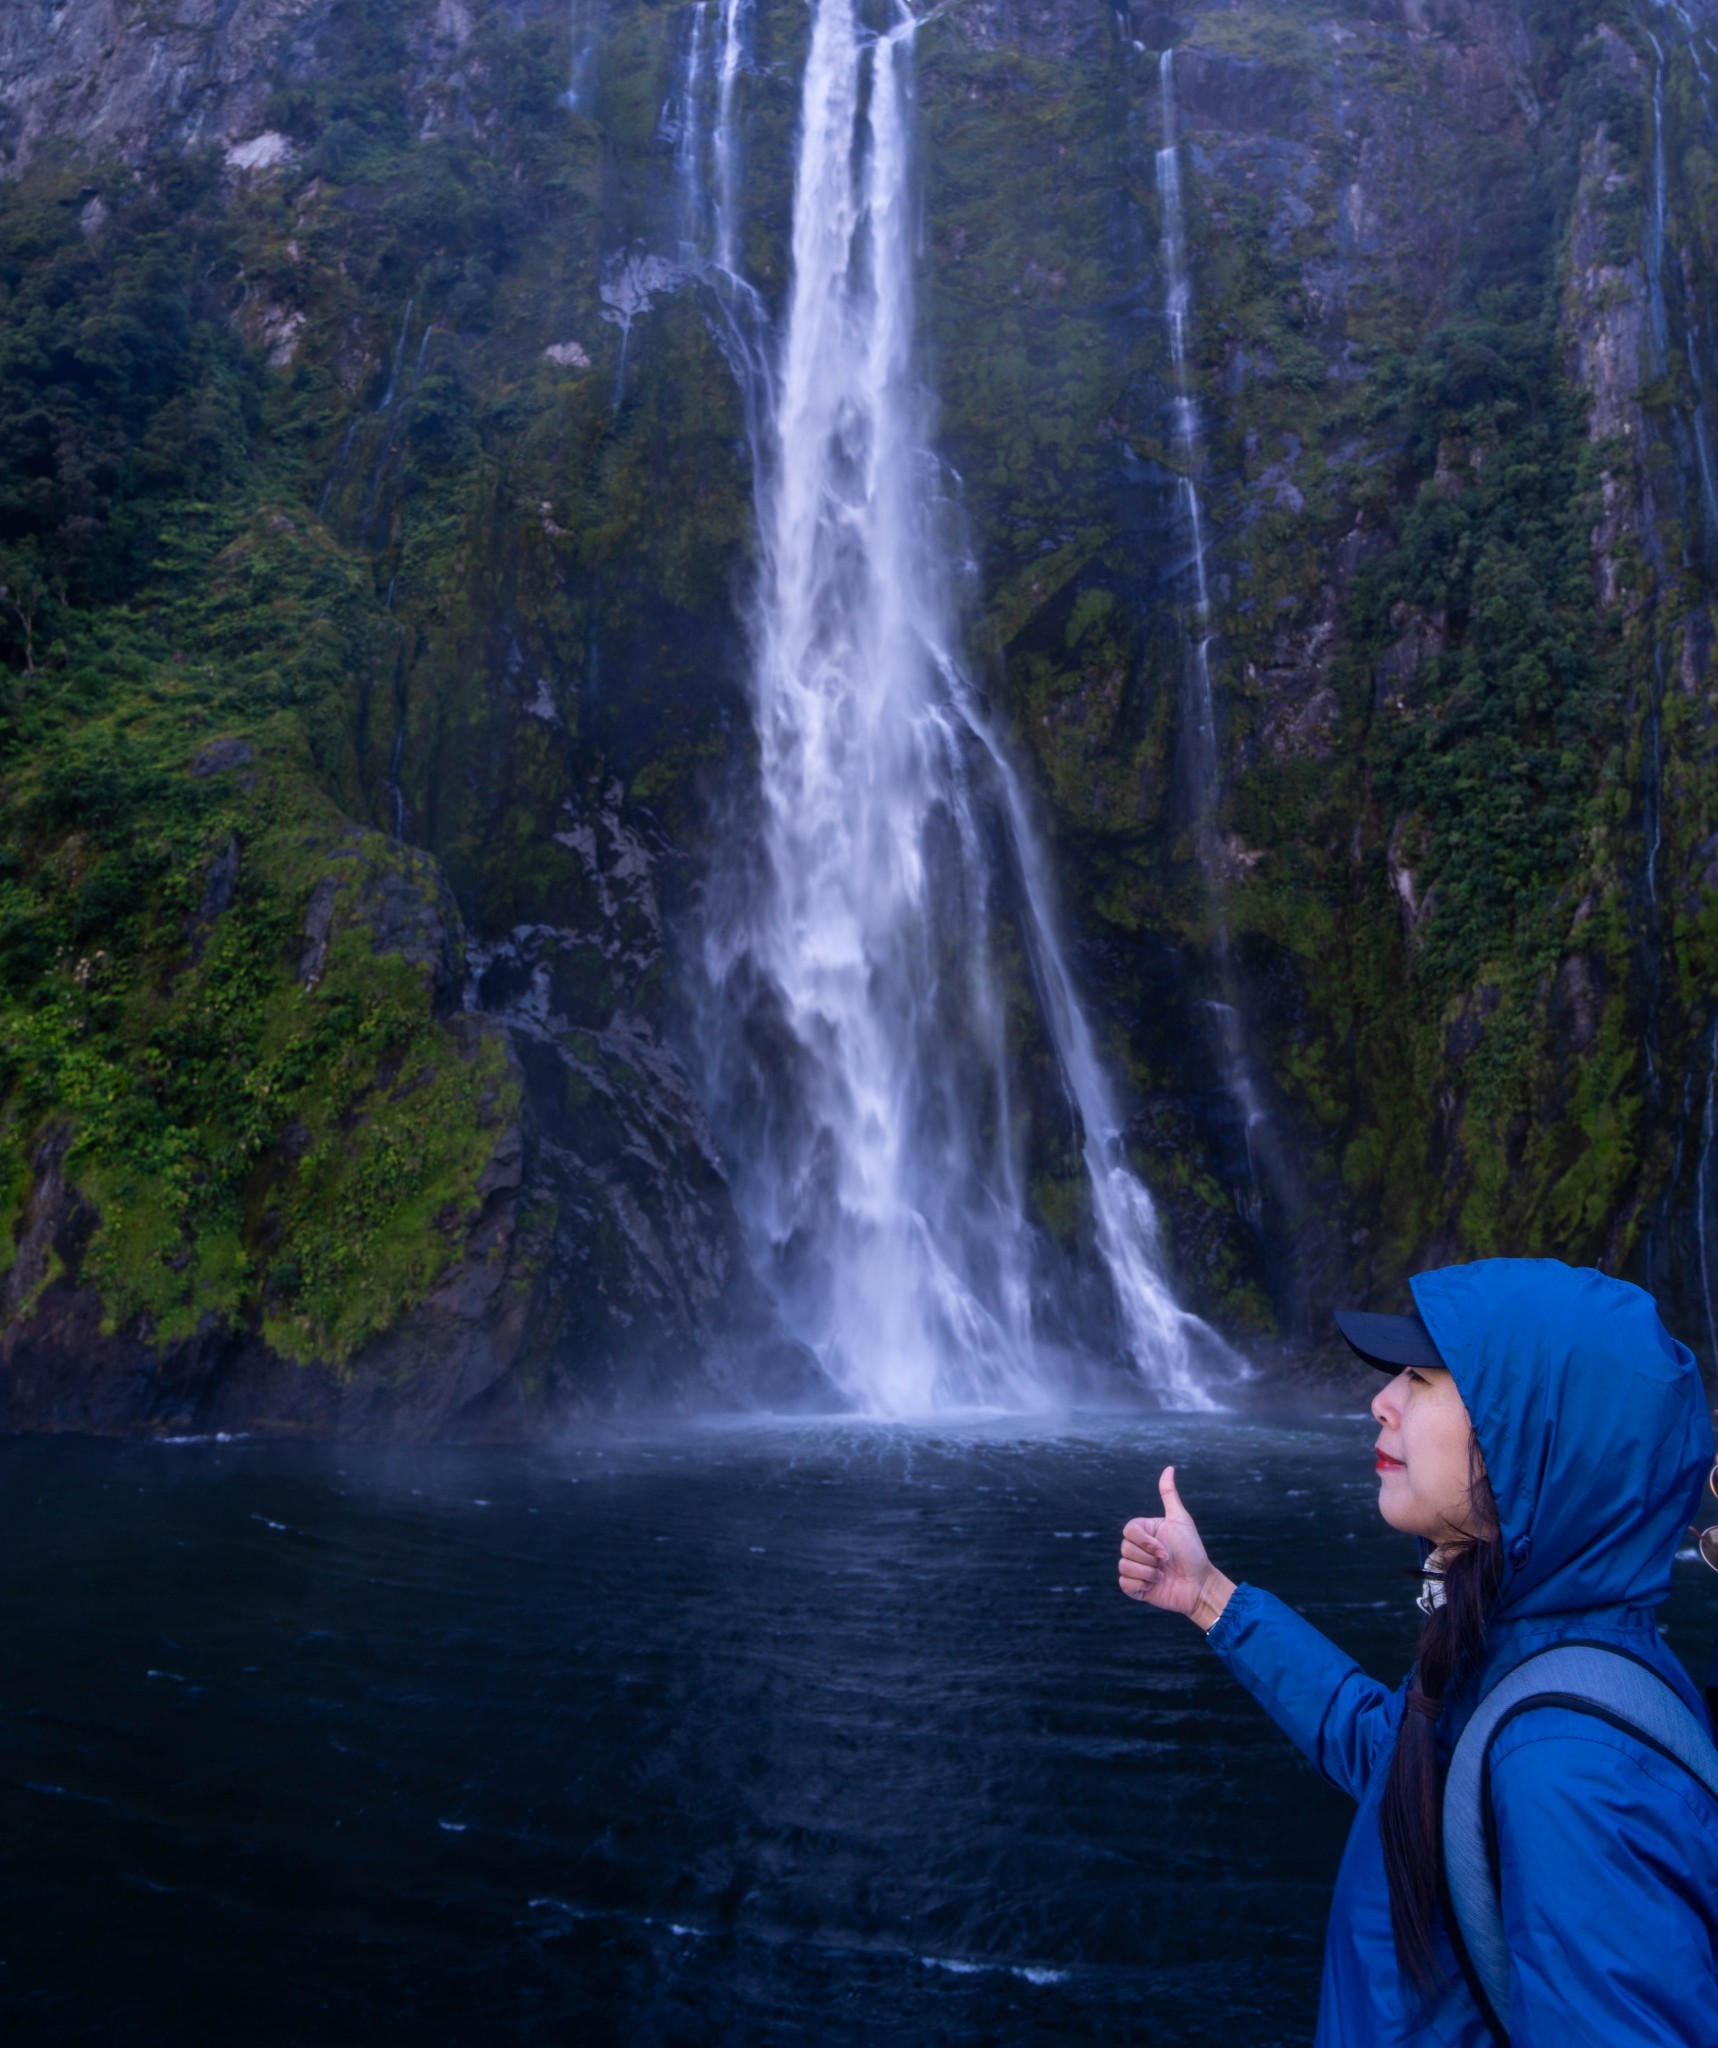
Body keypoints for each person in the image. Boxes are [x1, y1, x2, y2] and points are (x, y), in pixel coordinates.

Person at [1118, 1258, 1718, 2046]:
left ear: (1530, 1439)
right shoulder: (1521, 1658)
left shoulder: (1569, 1768)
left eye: (1421, 1379)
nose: (1381, 1401)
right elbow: (1397, 1752)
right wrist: (1209, 1597)